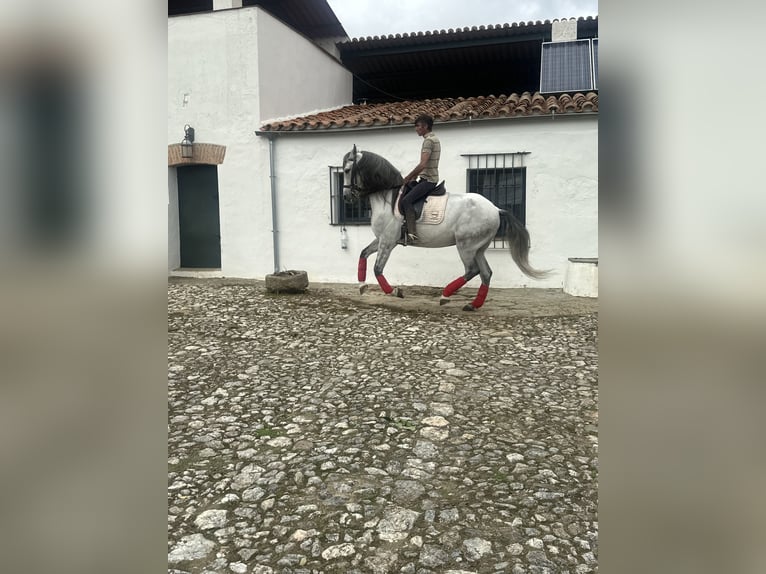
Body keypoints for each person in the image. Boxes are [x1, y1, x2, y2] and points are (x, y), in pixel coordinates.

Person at [401, 114, 441, 243]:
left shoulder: (428, 141)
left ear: (425, 126)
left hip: (428, 180)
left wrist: (408, 177)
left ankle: (412, 234)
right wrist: (414, 177)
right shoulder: (434, 138)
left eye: (418, 126)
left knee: (406, 201)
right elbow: (426, 165)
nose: (416, 129)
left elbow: (423, 164)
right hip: (427, 178)